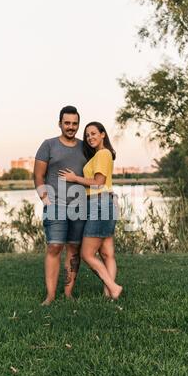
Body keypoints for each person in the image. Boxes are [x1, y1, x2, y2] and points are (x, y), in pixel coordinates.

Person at [58, 121, 123, 300]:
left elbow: (98, 182)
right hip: (105, 202)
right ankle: (109, 294)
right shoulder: (101, 155)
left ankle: (113, 287)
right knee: (106, 253)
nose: (90, 137)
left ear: (103, 134)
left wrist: (74, 178)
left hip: (99, 203)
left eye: (94, 133)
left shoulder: (103, 153)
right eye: (87, 135)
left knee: (87, 254)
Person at [34, 105, 87, 306]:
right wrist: (45, 198)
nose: (71, 127)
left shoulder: (85, 147)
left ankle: (68, 293)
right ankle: (50, 296)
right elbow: (38, 175)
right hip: (55, 204)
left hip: (79, 205)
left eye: (74, 123)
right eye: (67, 123)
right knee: (55, 246)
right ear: (60, 124)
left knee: (74, 249)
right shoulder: (48, 145)